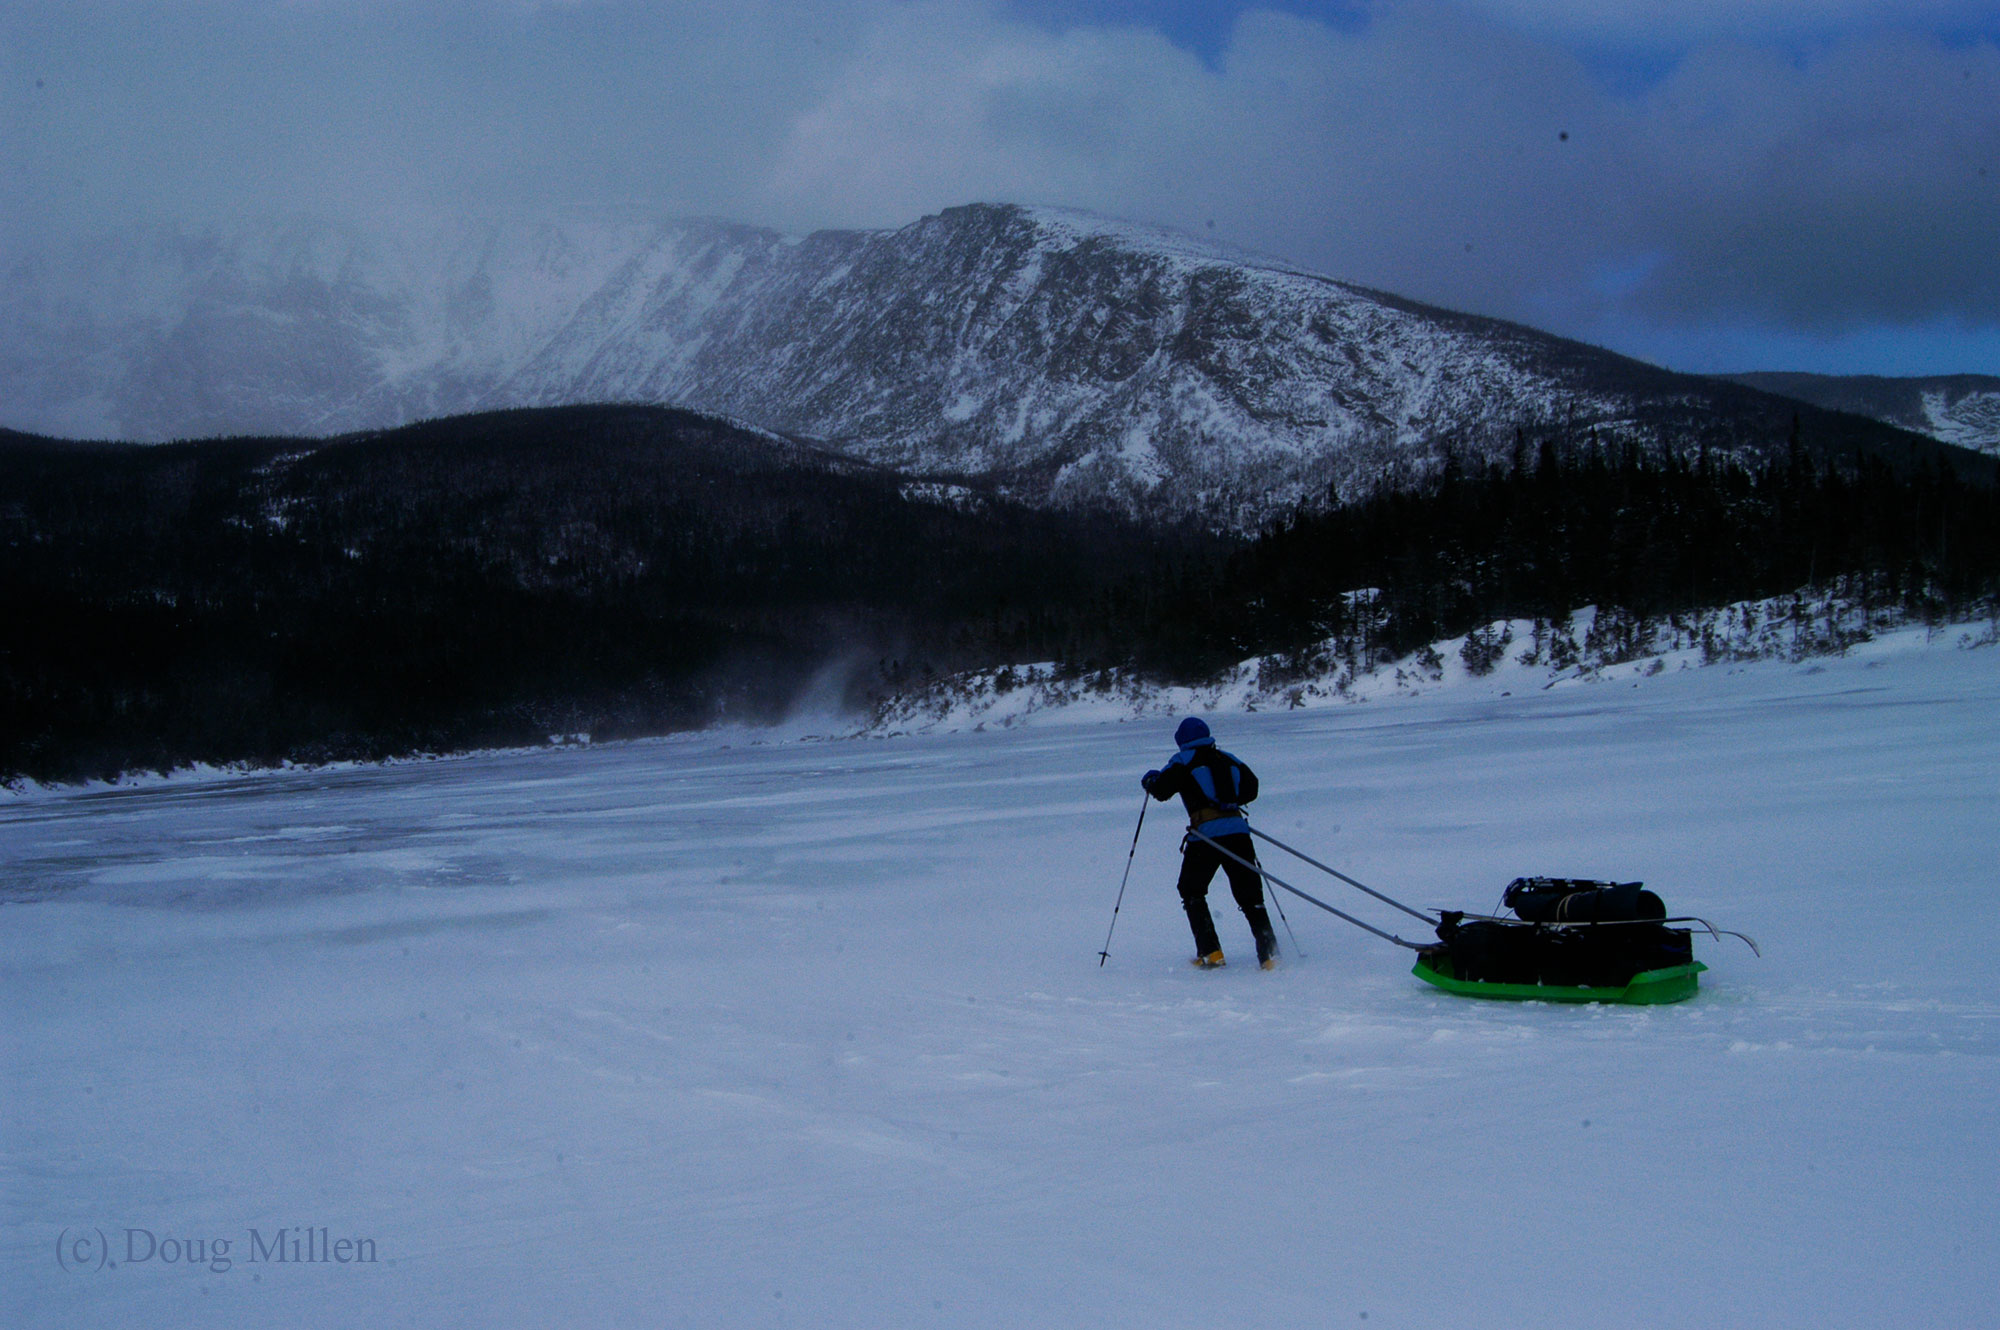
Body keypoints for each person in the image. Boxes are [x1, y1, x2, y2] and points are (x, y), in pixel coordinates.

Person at [1142, 717, 1279, 969]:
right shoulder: (1228, 759)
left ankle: (1211, 952)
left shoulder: (1183, 761)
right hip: (1238, 832)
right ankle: (1269, 954)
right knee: (1250, 895)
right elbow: (1251, 789)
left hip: (1205, 836)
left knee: (1191, 889)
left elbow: (1161, 790)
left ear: (1181, 740)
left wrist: (1150, 781)